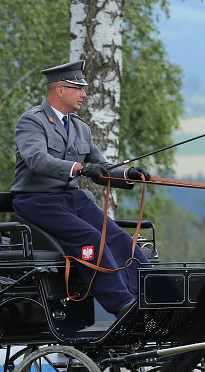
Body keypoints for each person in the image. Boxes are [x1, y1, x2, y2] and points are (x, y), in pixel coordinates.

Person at [11, 60, 152, 318]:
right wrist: (78, 167)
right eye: (78, 88)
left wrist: (128, 175)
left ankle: (153, 293)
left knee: (119, 238)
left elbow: (100, 169)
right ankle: (121, 305)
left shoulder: (80, 128)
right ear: (60, 90)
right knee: (91, 238)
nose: (84, 94)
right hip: (36, 200)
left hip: (73, 199)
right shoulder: (31, 121)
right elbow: (37, 159)